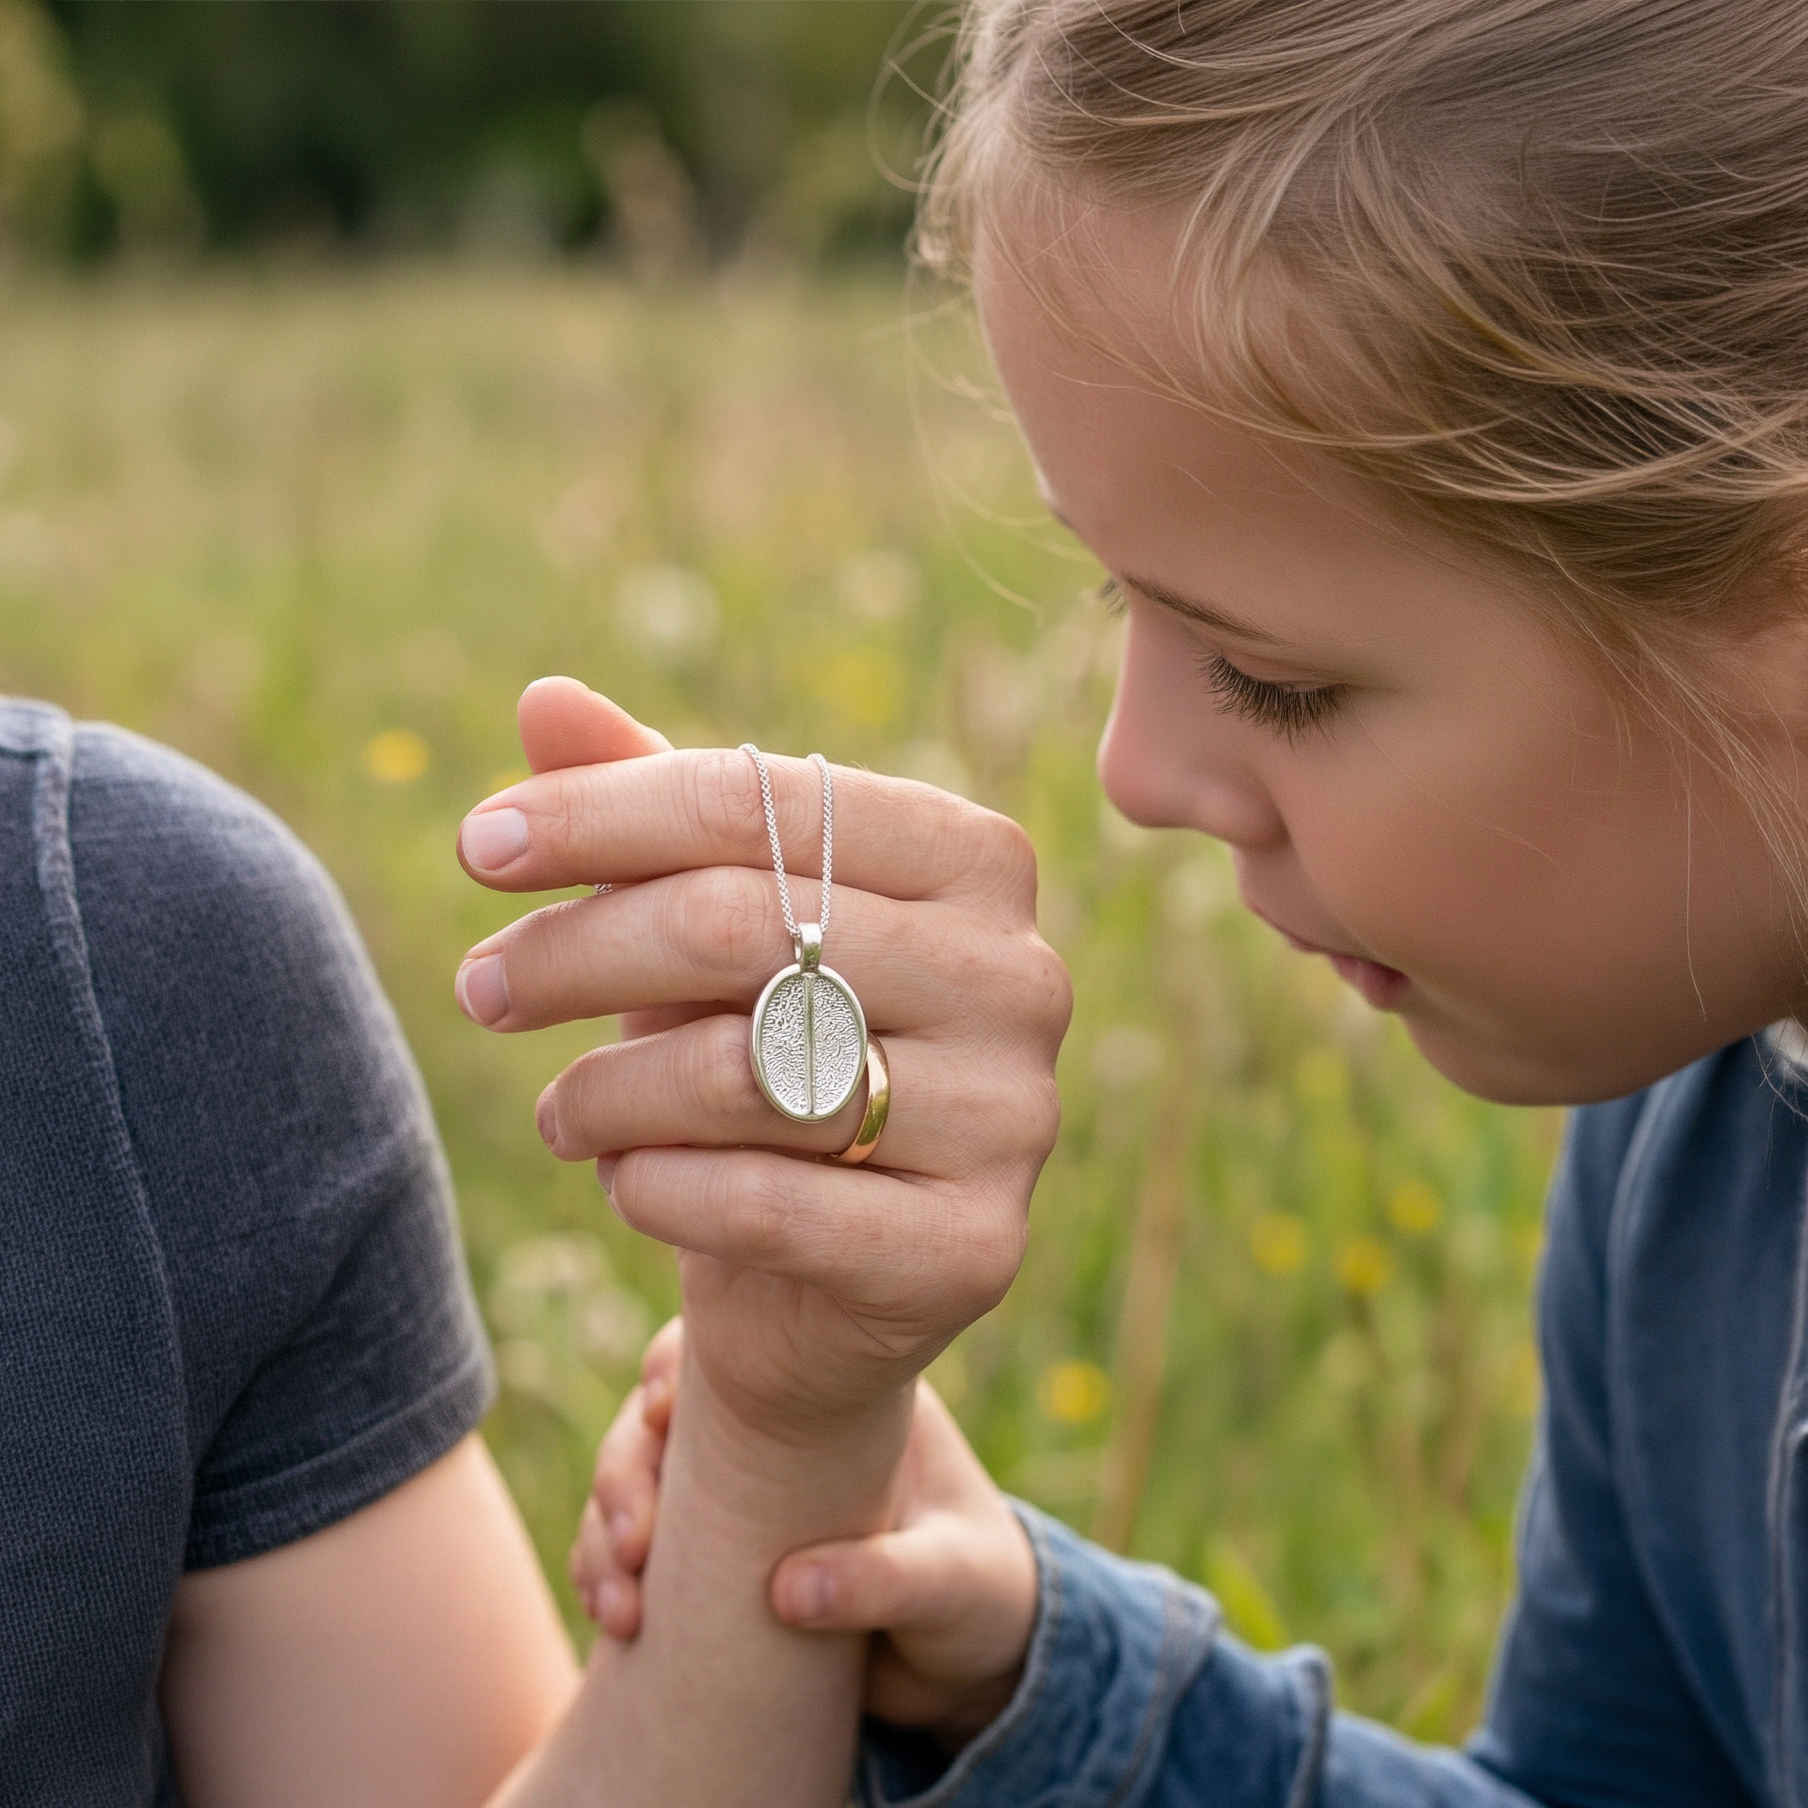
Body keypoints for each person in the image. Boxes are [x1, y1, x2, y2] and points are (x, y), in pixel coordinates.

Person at [454, 1, 1808, 1803]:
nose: (1135, 771)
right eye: (1121, 604)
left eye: (1276, 676)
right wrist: (1047, 1673)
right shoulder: (1689, 1124)